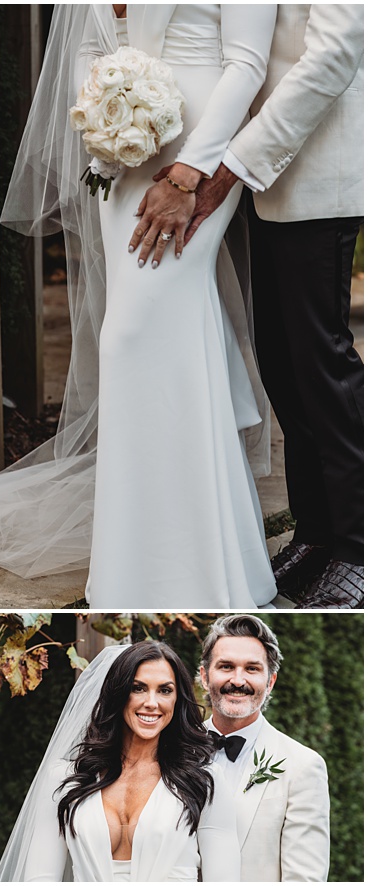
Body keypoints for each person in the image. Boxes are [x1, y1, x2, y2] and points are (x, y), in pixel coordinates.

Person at [0, 5, 279, 608]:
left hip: (195, 147)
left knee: (133, 337)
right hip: (123, 148)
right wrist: (103, 135)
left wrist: (190, 172)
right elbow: (89, 44)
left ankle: (179, 565)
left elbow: (246, 63)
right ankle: (181, 560)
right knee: (162, 336)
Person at [172, 7, 365, 609]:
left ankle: (357, 549)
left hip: (318, 176)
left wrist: (231, 165)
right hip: (269, 182)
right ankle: (317, 533)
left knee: (322, 365)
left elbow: (333, 56)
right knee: (282, 364)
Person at [0, 641, 240, 881]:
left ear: (178, 700)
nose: (151, 703)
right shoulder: (64, 779)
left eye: (165, 690)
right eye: (138, 688)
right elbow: (40, 878)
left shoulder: (205, 781)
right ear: (118, 694)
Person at [199, 614, 330, 881]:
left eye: (252, 669)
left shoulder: (302, 766)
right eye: (225, 666)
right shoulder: (169, 749)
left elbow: (304, 878)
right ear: (204, 676)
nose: (238, 680)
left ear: (270, 682)